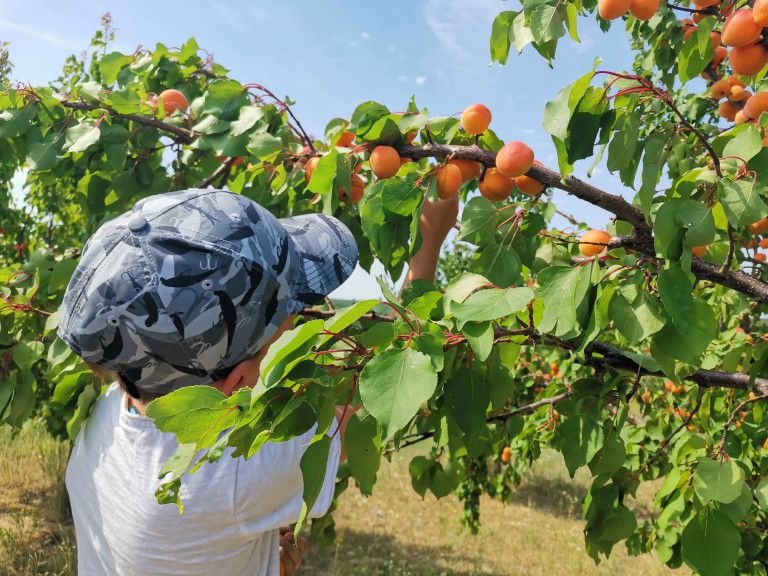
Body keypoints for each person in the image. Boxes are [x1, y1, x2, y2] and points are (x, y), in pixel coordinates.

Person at [58, 187, 458, 575]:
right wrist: (429, 242)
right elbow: (390, 398)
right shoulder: (241, 465)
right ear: (240, 379)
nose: (305, 320)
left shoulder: (110, 409)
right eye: (293, 319)